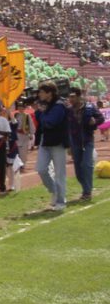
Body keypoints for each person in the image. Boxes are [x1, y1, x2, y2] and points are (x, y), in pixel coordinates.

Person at [35, 82, 69, 211]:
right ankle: (54, 190)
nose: (39, 95)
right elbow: (40, 120)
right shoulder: (45, 106)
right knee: (41, 169)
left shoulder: (59, 106)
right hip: (45, 141)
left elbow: (50, 122)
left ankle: (61, 201)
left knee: (60, 173)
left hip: (58, 142)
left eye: (41, 92)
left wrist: (41, 113)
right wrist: (40, 112)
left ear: (49, 93)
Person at [67, 87, 105, 201]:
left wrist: (95, 121)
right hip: (75, 142)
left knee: (86, 165)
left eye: (73, 96)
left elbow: (101, 118)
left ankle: (87, 192)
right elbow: (67, 128)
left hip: (88, 140)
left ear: (79, 96)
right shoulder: (68, 110)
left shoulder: (90, 107)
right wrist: (68, 145)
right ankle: (85, 188)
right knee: (78, 169)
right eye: (69, 97)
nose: (71, 99)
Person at [14, 101, 35, 170]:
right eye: (19, 107)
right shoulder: (15, 115)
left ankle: (22, 164)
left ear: (24, 108)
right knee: (17, 151)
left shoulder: (27, 115)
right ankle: (18, 164)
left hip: (25, 135)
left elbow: (31, 124)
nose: (20, 108)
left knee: (23, 151)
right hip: (17, 135)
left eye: (22, 107)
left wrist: (31, 133)